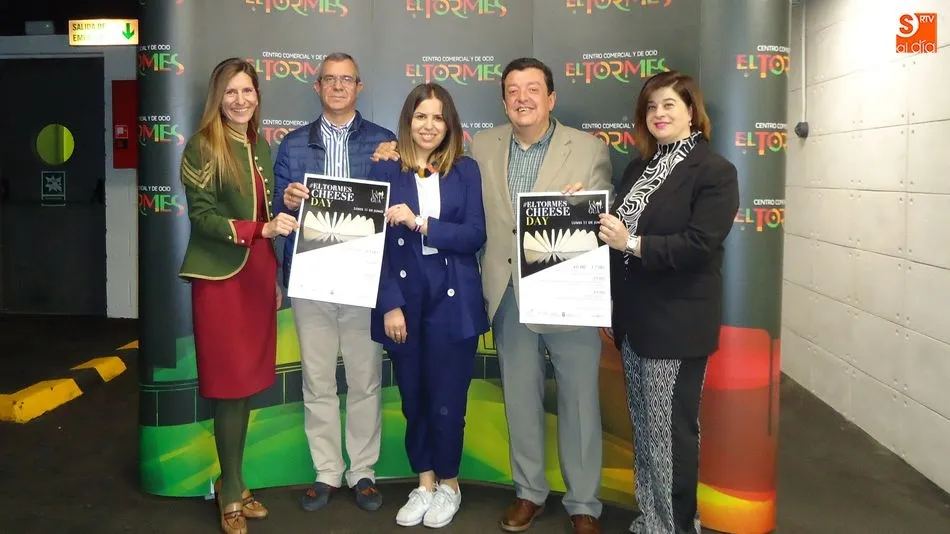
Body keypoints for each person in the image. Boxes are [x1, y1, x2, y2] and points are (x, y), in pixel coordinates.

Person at [597, 70, 740, 534]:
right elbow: (613, 229)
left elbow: (700, 244)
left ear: (691, 112)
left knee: (671, 435)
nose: (659, 114)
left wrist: (633, 244)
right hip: (636, 321)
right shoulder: (640, 168)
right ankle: (652, 518)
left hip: (677, 325)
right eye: (652, 107)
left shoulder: (715, 171)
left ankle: (679, 526)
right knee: (645, 430)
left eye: (669, 105)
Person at [178, 57, 298, 534]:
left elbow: (266, 207)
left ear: (257, 97)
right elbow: (202, 218)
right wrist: (260, 227)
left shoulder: (260, 145)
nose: (240, 100)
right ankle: (229, 493)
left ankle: (238, 481)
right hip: (222, 280)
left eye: (248, 91)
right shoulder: (202, 145)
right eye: (231, 92)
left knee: (247, 386)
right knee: (229, 388)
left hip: (256, 276)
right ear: (217, 97)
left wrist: (271, 275)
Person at [273, 52, 396, 513]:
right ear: (317, 87)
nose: (339, 87)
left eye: (347, 80)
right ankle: (326, 471)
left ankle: (362, 470)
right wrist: (286, 200)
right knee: (318, 378)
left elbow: (396, 207)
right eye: (330, 80)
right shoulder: (292, 145)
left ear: (359, 87)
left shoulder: (385, 142)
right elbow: (280, 212)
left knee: (365, 379)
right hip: (312, 279)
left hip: (364, 280)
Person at [368, 82, 488, 529]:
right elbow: (372, 245)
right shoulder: (385, 170)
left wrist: (421, 224)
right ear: (408, 120)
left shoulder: (466, 170)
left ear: (449, 124)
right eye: (421, 116)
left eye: (438, 117)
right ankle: (424, 482)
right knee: (414, 398)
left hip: (453, 301)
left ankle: (450, 486)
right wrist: (389, 305)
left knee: (447, 401)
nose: (429, 125)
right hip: (405, 301)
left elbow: (474, 234)